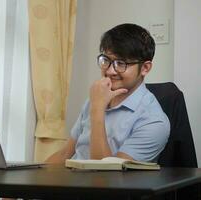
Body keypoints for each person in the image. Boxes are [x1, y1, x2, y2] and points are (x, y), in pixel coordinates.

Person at [46, 23, 170, 164]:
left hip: (100, 183)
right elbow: (65, 154)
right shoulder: (97, 98)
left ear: (145, 68)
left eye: (121, 63)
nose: (110, 71)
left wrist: (98, 109)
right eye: (106, 60)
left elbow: (106, 177)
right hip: (70, 181)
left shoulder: (153, 121)